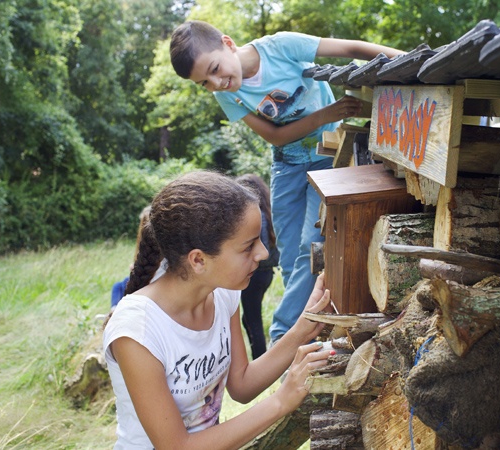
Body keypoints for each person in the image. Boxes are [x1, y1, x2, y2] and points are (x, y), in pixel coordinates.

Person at [169, 21, 405, 342]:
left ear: (228, 43)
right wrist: (327, 113)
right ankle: (311, 331)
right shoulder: (228, 94)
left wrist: (409, 61)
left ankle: (283, 336)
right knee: (291, 258)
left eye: (214, 69)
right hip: (286, 166)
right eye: (204, 83)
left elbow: (351, 48)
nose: (216, 83)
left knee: (311, 245)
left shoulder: (280, 47)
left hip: (326, 159)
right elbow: (276, 136)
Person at [102, 170, 334, 449]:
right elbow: (178, 446)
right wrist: (281, 401)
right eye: (248, 247)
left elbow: (242, 384)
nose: (262, 254)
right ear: (198, 260)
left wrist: (302, 330)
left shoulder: (222, 294)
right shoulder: (137, 330)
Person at [236, 173, 279, 359]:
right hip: (266, 274)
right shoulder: (269, 213)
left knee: (252, 320)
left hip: (255, 274)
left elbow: (256, 248)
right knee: (249, 318)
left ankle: (260, 360)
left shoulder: (257, 215)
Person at [110, 205, 152, 310]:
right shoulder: (145, 244)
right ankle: (114, 309)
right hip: (144, 277)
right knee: (118, 286)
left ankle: (115, 310)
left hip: (148, 281)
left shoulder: (150, 243)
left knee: (120, 286)